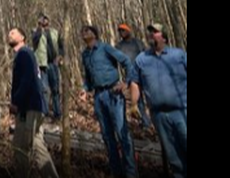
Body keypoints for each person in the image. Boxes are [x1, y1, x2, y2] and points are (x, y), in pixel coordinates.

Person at [78, 25, 138, 177]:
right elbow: (88, 77)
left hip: (113, 93)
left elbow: (125, 61)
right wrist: (85, 89)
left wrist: (126, 82)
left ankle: (131, 172)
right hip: (98, 97)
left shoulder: (105, 48)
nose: (84, 33)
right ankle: (116, 172)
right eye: (83, 31)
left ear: (95, 34)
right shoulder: (85, 54)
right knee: (107, 136)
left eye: (88, 30)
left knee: (121, 132)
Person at [130, 23, 187, 178]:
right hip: (159, 116)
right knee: (173, 156)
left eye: (155, 32)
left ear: (164, 36)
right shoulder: (142, 59)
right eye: (150, 32)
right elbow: (135, 82)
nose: (151, 34)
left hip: (182, 112)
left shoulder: (179, 55)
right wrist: (134, 104)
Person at [8, 28, 60, 178]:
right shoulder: (24, 55)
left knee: (21, 147)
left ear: (22, 37)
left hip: (30, 107)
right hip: (31, 108)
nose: (9, 35)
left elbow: (27, 80)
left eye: (13, 33)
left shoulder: (24, 53)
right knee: (36, 146)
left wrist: (16, 101)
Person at [114, 23, 151, 131]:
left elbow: (146, 55)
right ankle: (146, 123)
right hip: (131, 75)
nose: (121, 33)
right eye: (120, 31)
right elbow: (116, 61)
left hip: (144, 73)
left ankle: (156, 120)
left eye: (123, 30)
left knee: (150, 97)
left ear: (129, 30)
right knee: (137, 100)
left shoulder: (138, 43)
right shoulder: (119, 46)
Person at [32, 14, 64, 121]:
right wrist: (39, 27)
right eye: (42, 20)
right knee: (44, 90)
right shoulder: (36, 32)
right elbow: (35, 40)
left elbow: (61, 46)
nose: (44, 22)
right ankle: (44, 113)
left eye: (45, 20)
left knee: (55, 90)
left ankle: (57, 113)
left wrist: (60, 57)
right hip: (42, 65)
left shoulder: (55, 32)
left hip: (53, 64)